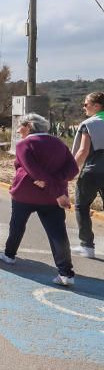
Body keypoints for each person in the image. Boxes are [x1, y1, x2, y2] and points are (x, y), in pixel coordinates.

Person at [0, 113, 79, 286]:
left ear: (28, 126)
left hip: (25, 194)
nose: (18, 130)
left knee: (17, 225)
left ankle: (9, 255)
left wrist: (51, 187)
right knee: (58, 234)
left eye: (19, 126)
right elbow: (73, 169)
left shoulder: (24, 144)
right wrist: (57, 187)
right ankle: (66, 273)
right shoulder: (59, 143)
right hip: (53, 199)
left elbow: (33, 170)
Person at [72, 91, 104, 258]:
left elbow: (83, 151)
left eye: (86, 104)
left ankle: (87, 246)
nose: (84, 107)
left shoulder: (89, 124)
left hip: (93, 171)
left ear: (97, 106)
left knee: (81, 206)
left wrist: (70, 170)